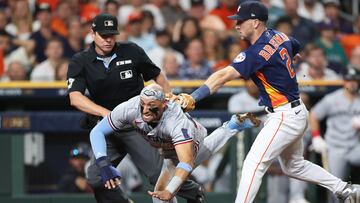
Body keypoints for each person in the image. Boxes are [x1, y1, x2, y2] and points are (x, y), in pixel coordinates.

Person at [173, 1, 360, 203]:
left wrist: (194, 96)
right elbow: (295, 44)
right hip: (295, 111)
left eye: (241, 21)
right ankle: (344, 188)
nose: (236, 25)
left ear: (255, 22)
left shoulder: (256, 53)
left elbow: (223, 76)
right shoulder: (279, 35)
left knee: (253, 163)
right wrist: (291, 55)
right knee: (293, 166)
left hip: (284, 116)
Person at [67, 13, 203, 203]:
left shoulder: (131, 51)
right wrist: (105, 113)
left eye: (112, 35)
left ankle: (194, 192)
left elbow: (158, 77)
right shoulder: (80, 60)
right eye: (103, 35)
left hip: (139, 123)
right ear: (92, 33)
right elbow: (75, 97)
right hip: (108, 127)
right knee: (96, 178)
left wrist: (167, 104)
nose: (108, 40)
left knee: (157, 175)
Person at [89, 84, 261, 202]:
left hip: (190, 138)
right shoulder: (130, 108)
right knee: (162, 192)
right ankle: (231, 126)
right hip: (165, 145)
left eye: (152, 105)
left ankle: (230, 127)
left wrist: (170, 191)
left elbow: (186, 163)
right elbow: (97, 131)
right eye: (143, 104)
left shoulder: (176, 122)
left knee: (162, 190)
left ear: (164, 105)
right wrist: (103, 163)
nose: (146, 110)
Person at [309, 68, 360, 203]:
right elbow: (313, 114)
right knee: (334, 186)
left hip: (356, 146)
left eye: (355, 80)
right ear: (344, 81)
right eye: (349, 80)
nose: (352, 83)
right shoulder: (332, 99)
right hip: (335, 147)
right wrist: (316, 137)